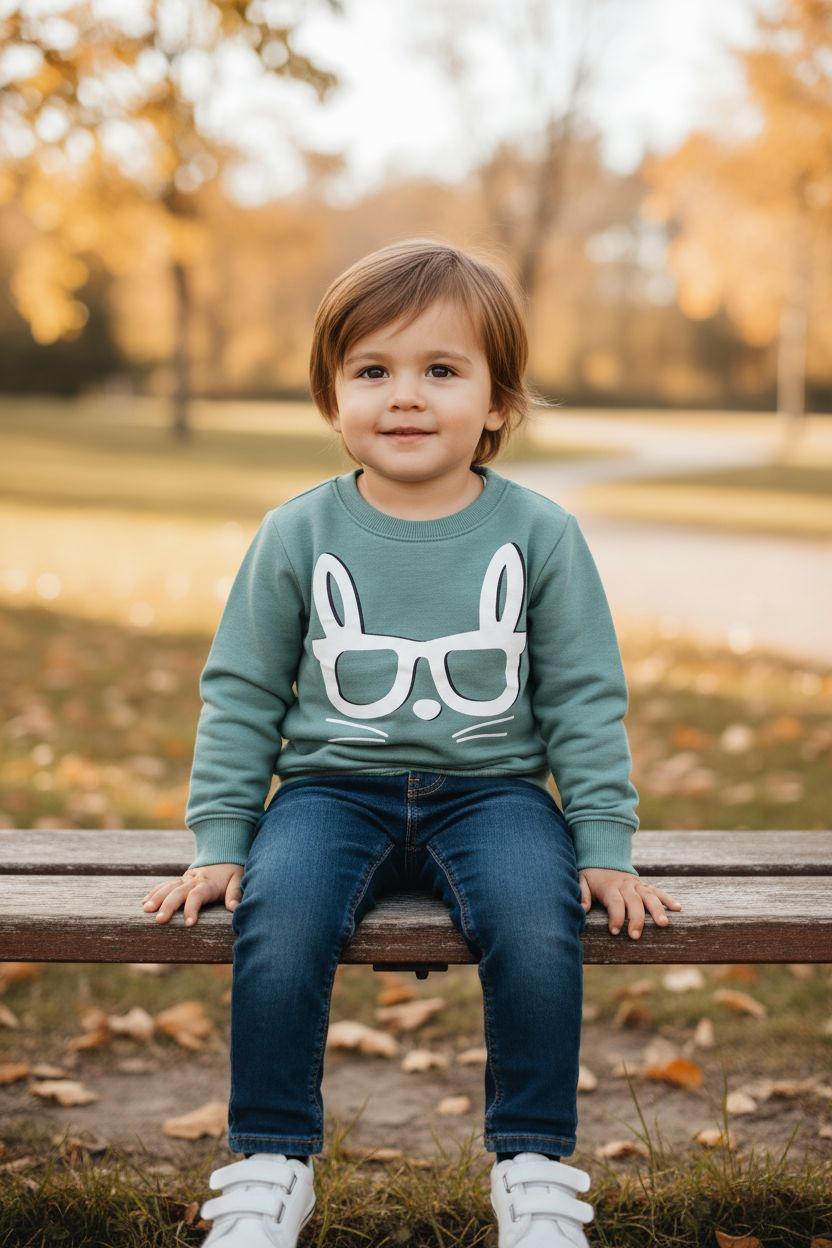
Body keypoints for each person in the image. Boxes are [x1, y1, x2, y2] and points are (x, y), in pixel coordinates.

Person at [141, 238, 682, 1247]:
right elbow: (244, 691)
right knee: (281, 916)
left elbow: (580, 697)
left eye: (441, 370)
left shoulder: (539, 534)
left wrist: (603, 846)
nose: (404, 396)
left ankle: (531, 1166)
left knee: (533, 921)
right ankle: (267, 1161)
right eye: (373, 371)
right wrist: (221, 838)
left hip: (495, 794)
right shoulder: (297, 534)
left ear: (497, 404)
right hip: (327, 791)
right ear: (332, 396)